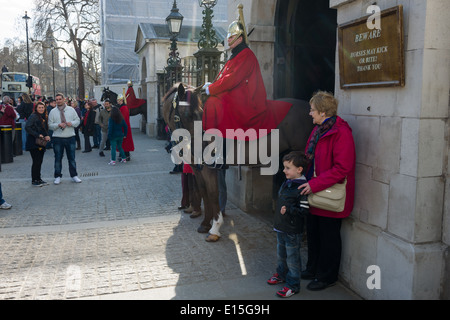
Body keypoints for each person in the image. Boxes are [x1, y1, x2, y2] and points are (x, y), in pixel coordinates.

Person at [298, 91, 356, 291]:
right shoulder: (319, 130)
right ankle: (312, 268)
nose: (310, 113)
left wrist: (314, 184)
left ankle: (327, 276)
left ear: (323, 112)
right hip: (314, 192)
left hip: (329, 195)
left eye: (312, 110)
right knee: (313, 233)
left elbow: (342, 169)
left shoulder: (341, 132)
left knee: (329, 238)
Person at [201, 20, 291, 140]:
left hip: (246, 99)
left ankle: (220, 142)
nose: (228, 40)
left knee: (214, 102)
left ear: (239, 39)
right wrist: (212, 85)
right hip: (235, 93)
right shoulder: (236, 55)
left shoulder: (246, 55)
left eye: (232, 37)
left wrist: (211, 89)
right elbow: (224, 77)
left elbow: (232, 79)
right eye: (228, 37)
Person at [267, 151, 310, 298]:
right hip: (281, 227)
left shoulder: (302, 188)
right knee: (281, 255)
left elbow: (304, 211)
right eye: (284, 167)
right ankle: (281, 274)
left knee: (292, 258)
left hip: (292, 230)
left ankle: (293, 285)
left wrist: (290, 210)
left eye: (287, 168)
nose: (284, 170)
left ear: (299, 169)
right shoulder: (287, 182)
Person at [48, 93, 82, 184]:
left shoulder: (71, 110)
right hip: (57, 138)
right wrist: (58, 125)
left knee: (72, 158)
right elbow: (50, 125)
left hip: (70, 137)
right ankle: (57, 176)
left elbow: (78, 120)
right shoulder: (52, 111)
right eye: (57, 99)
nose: (58, 101)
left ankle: (74, 175)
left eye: (60, 99)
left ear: (64, 100)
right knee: (58, 158)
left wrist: (72, 123)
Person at [25, 101, 51, 186]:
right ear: (36, 108)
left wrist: (47, 136)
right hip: (33, 142)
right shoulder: (33, 116)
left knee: (39, 161)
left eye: (42, 107)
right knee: (36, 161)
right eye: (39, 107)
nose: (41, 109)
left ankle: (38, 179)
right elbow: (27, 127)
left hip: (40, 142)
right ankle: (34, 180)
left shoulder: (44, 116)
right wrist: (37, 135)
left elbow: (44, 129)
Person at [117, 94, 134, 161]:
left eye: (119, 100)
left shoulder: (123, 108)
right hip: (123, 127)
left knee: (124, 142)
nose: (118, 101)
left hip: (123, 127)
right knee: (123, 142)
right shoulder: (122, 107)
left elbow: (122, 118)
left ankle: (125, 155)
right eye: (118, 100)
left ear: (121, 100)